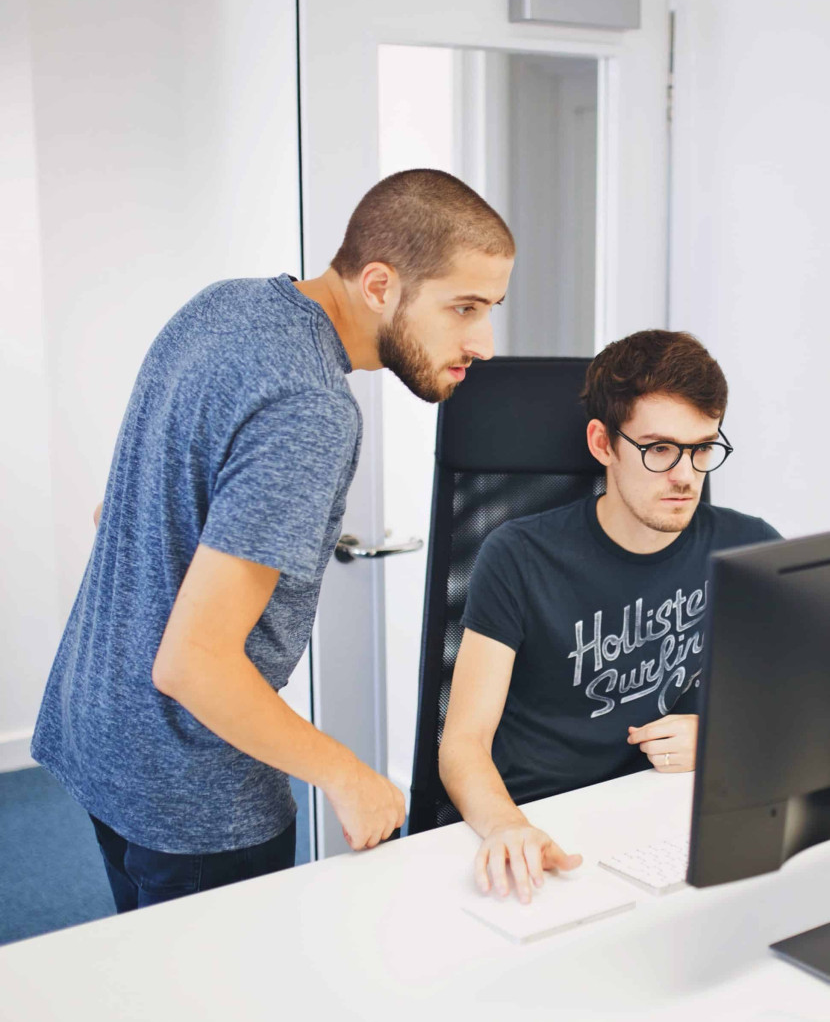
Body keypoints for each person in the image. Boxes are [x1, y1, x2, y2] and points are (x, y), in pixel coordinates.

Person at [32, 168, 515, 911]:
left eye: (491, 308)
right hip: (191, 787)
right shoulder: (312, 408)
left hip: (96, 722)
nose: (482, 342)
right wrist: (348, 775)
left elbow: (117, 511)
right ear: (380, 285)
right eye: (464, 307)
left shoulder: (223, 306)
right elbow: (192, 664)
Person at [438, 330, 780, 904]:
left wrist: (727, 740)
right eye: (660, 449)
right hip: (542, 824)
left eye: (701, 448)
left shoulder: (748, 548)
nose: (685, 475)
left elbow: (805, 704)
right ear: (603, 443)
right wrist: (506, 826)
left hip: (667, 821)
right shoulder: (518, 555)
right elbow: (462, 743)